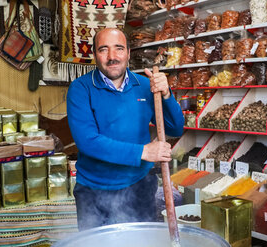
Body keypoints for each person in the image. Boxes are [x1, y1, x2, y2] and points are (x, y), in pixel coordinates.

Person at [67, 28, 184, 231]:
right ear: (94, 54)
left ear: (128, 53)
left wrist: (166, 94)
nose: (112, 57)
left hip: (139, 186)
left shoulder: (145, 86)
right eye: (103, 49)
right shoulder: (80, 89)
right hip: (94, 190)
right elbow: (88, 142)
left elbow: (175, 127)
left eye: (119, 49)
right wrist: (144, 151)